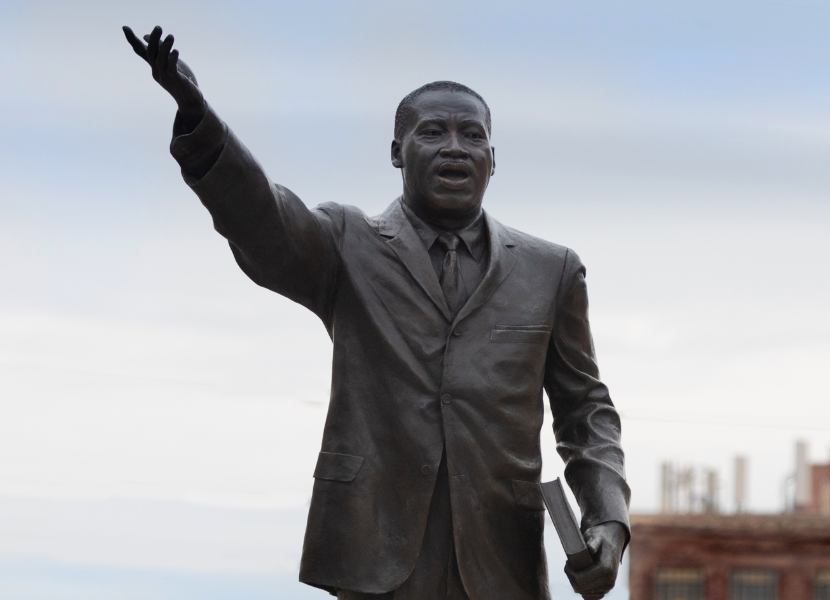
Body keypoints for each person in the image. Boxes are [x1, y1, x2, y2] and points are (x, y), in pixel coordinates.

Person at [121, 26, 630, 600]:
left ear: (493, 158)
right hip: (375, 550)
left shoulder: (551, 270)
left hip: (499, 559)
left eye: (472, 135)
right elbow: (264, 219)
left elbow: (586, 409)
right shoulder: (347, 242)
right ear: (397, 152)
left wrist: (607, 515)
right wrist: (201, 122)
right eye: (432, 131)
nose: (454, 146)